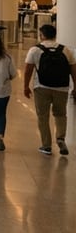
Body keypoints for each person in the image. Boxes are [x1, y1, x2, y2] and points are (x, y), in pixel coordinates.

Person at [22, 24, 76, 156]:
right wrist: (75, 86)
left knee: (43, 116)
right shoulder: (65, 50)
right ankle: (60, 138)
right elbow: (74, 69)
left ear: (42, 35)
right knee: (60, 114)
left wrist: (25, 87)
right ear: (54, 35)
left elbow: (28, 69)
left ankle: (46, 146)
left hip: (41, 87)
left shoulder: (35, 50)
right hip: (62, 88)